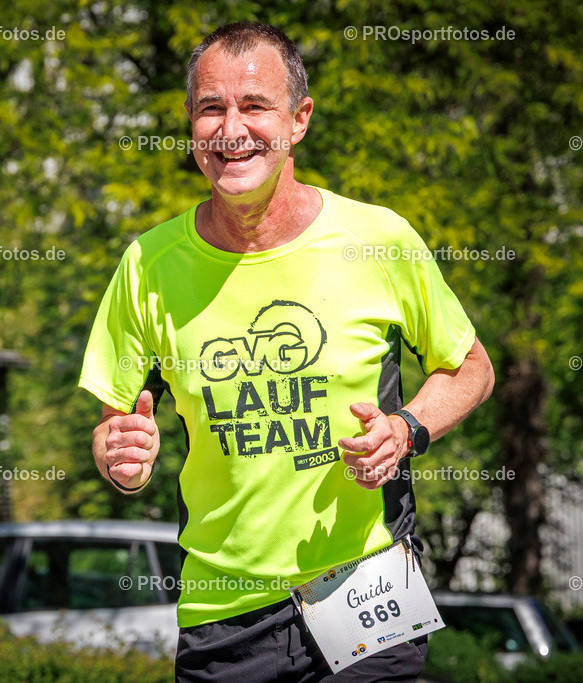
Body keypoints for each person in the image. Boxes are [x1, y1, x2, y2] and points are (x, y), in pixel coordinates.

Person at [79, 21, 495, 682]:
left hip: (367, 588)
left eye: (255, 106)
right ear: (190, 122)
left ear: (298, 120)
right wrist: (122, 459)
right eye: (211, 108)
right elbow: (115, 431)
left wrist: (406, 428)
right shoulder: (147, 265)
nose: (231, 129)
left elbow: (470, 367)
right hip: (224, 613)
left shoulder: (378, 239)